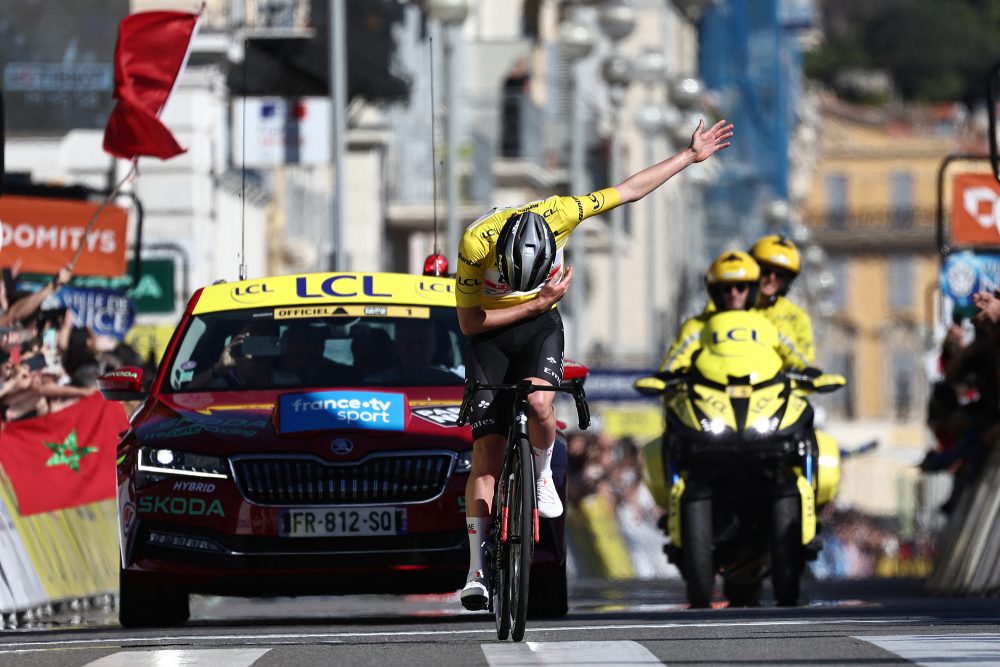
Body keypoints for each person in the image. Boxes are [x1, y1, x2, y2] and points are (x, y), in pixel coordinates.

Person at [455, 118, 734, 610]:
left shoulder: (560, 211)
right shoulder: (475, 244)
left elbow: (628, 190)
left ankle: (540, 472)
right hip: (492, 330)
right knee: (488, 452)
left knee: (542, 403)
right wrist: (533, 302)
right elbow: (471, 323)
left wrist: (688, 157)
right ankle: (478, 569)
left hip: (541, 323)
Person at [655, 250, 809, 374]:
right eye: (727, 289)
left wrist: (808, 372)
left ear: (752, 290)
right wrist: (666, 377)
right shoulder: (698, 326)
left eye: (741, 287)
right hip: (710, 400)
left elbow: (795, 356)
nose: (734, 293)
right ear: (716, 292)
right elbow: (676, 358)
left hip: (762, 399)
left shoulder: (768, 325)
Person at [749, 235, 815, 367]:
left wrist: (780, 337)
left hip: (777, 385)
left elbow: (806, 362)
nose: (771, 279)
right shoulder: (732, 304)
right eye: (766, 271)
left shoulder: (797, 316)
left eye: (780, 275)